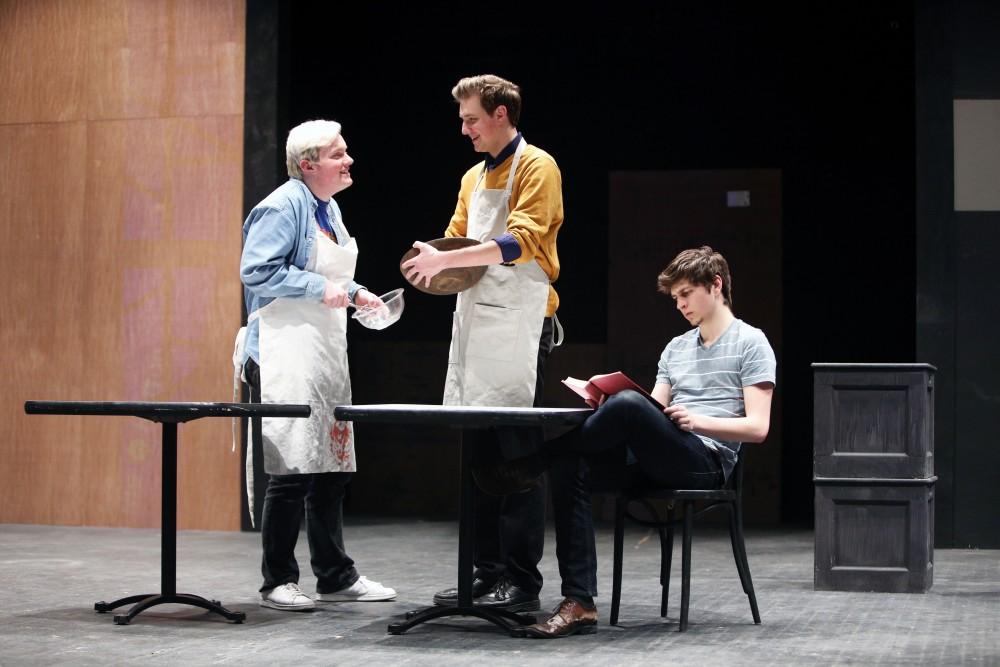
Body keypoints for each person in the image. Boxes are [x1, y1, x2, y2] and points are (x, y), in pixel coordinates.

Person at [514, 246, 776, 637]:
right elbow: (652, 411)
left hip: (705, 462)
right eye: (676, 298)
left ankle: (535, 459)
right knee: (574, 463)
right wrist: (604, 400)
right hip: (662, 452)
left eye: (686, 294)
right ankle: (580, 602)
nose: (680, 304)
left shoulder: (751, 343)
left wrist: (698, 422)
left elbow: (758, 428)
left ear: (716, 285)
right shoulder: (676, 348)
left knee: (628, 406)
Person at [402, 74, 564, 613]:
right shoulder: (473, 176)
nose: (464, 128)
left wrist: (446, 260)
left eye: (471, 118)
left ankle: (521, 583)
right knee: (478, 452)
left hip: (521, 325)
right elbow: (456, 239)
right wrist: (424, 266)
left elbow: (520, 242)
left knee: (517, 458)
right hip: (476, 322)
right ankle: (484, 571)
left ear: (500, 114)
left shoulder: (538, 166)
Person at [235, 119, 396, 611]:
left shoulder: (329, 209)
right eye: (337, 154)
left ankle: (335, 574)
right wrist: (319, 289)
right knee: (292, 468)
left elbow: (329, 275)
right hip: (286, 351)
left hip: (325, 350)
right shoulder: (283, 206)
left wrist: (355, 294)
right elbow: (256, 270)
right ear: (308, 164)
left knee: (332, 467)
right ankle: (277, 579)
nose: (348, 161)